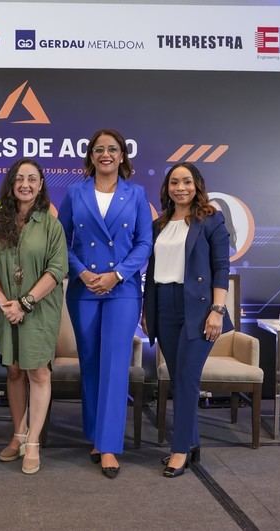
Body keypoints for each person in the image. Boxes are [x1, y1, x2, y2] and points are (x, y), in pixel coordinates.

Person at [58, 129, 152, 479]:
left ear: (123, 155)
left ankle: (109, 445)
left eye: (112, 149)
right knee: (92, 364)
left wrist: (117, 274)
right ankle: (95, 435)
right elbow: (60, 240)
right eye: (99, 149)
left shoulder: (137, 194)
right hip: (83, 289)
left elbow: (144, 243)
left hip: (122, 289)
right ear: (91, 156)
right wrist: (81, 272)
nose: (106, 154)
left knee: (115, 365)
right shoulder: (74, 192)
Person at [142, 162, 233, 478]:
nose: (180, 188)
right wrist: (146, 310)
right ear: (167, 188)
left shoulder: (211, 219)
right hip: (163, 306)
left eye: (186, 182)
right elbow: (151, 272)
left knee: (186, 379)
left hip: (198, 309)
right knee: (177, 375)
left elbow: (221, 267)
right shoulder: (159, 224)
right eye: (174, 183)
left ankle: (179, 450)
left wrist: (217, 310)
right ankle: (191, 442)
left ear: (197, 185)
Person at [0, 158, 67, 475]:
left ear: (41, 184)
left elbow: (57, 270)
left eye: (32, 178)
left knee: (38, 373)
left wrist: (25, 302)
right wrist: (2, 299)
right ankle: (17, 435)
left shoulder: (51, 224)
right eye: (19, 179)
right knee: (14, 371)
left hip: (39, 309)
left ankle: (33, 442)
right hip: (5, 309)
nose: (26, 184)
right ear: (11, 184)